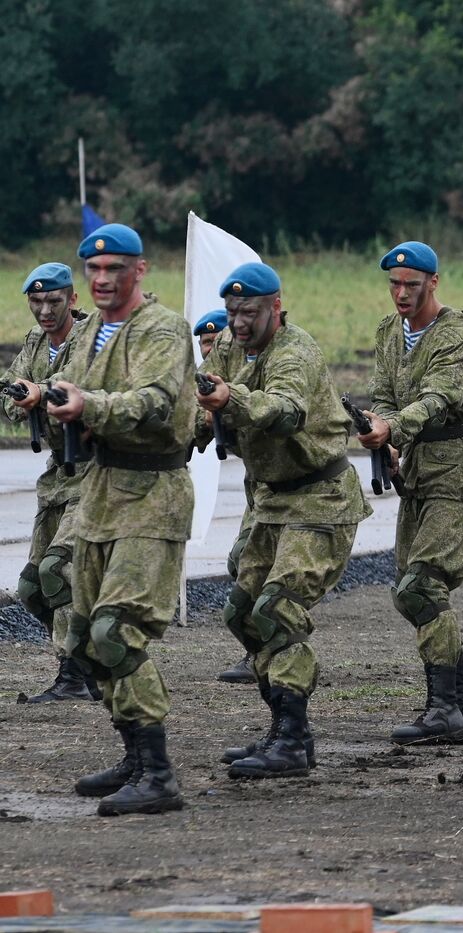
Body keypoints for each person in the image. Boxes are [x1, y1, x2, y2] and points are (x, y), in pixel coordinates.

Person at [13, 223, 196, 815]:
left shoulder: (163, 328)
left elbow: (155, 401)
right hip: (96, 490)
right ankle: (134, 755)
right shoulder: (91, 333)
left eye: (114, 269)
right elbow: (80, 395)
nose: (101, 279)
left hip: (150, 493)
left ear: (139, 271)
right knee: (81, 634)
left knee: (117, 629)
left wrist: (87, 404)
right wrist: (50, 401)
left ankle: (159, 771)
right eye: (93, 270)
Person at [197, 262, 371, 776]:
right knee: (242, 612)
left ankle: (295, 740)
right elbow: (205, 409)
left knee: (277, 610)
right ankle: (280, 726)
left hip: (320, 499)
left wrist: (232, 397)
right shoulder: (231, 343)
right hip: (272, 502)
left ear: (276, 306)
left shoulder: (295, 351)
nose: (238, 322)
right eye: (231, 312)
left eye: (248, 311)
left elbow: (286, 410)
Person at [355, 241, 463, 743]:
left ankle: (444, 711)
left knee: (422, 584)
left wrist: (391, 428)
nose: (400, 294)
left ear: (433, 283)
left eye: (410, 285)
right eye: (393, 284)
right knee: (408, 587)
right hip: (417, 468)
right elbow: (385, 394)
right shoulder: (389, 331)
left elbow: (439, 397)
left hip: (457, 466)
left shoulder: (457, 334)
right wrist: (379, 427)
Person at [3, 262, 98, 703]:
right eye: (36, 301)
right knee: (31, 587)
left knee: (57, 568)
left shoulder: (93, 339)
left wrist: (40, 392)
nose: (44, 309)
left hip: (95, 473)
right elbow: (11, 392)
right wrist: (21, 402)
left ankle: (74, 675)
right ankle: (89, 658)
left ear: (72, 299)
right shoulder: (35, 344)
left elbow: (80, 384)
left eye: (53, 301)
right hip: (58, 475)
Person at [194, 307, 258, 686]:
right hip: (260, 486)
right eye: (204, 344)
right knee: (241, 563)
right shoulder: (207, 388)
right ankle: (261, 649)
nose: (210, 349)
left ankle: (266, 649)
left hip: (290, 487)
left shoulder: (245, 380)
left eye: (216, 342)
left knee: (246, 562)